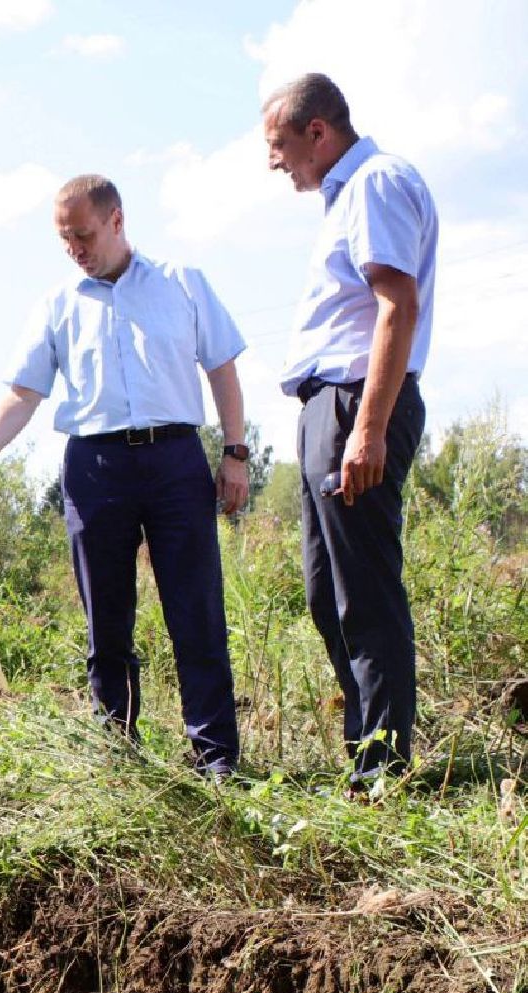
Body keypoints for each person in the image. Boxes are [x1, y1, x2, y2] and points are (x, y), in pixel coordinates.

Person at [0, 174, 250, 777]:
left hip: (175, 461)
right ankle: (119, 752)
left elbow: (223, 371)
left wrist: (235, 452)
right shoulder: (57, 305)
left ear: (116, 220)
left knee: (196, 612)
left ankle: (217, 761)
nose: (75, 249)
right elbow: (26, 393)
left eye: (83, 235)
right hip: (95, 467)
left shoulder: (182, 284)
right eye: (64, 240)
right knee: (105, 620)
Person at [262, 73, 437, 790]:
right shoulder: (347, 194)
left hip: (355, 405)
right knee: (323, 589)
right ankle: (366, 752)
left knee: (362, 591)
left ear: (316, 132)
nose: (273, 162)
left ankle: (383, 771)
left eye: (277, 146)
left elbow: (397, 304)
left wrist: (365, 429)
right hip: (326, 409)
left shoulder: (373, 182)